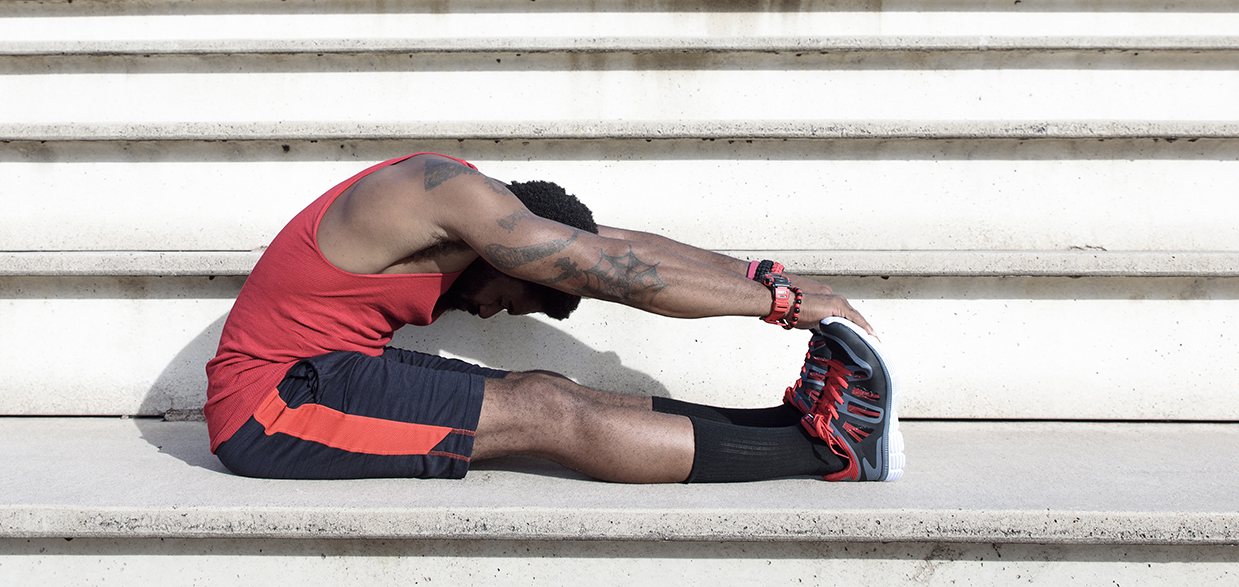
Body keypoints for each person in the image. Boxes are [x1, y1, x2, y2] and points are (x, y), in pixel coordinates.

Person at [205, 152, 903, 483]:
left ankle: (787, 428)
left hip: (324, 372)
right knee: (542, 409)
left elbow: (622, 249)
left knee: (556, 390)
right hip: (270, 406)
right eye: (508, 298)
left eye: (508, 303)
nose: (484, 313)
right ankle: (829, 449)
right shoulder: (450, 197)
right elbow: (623, 278)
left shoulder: (479, 205)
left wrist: (768, 278)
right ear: (515, 253)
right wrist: (788, 309)